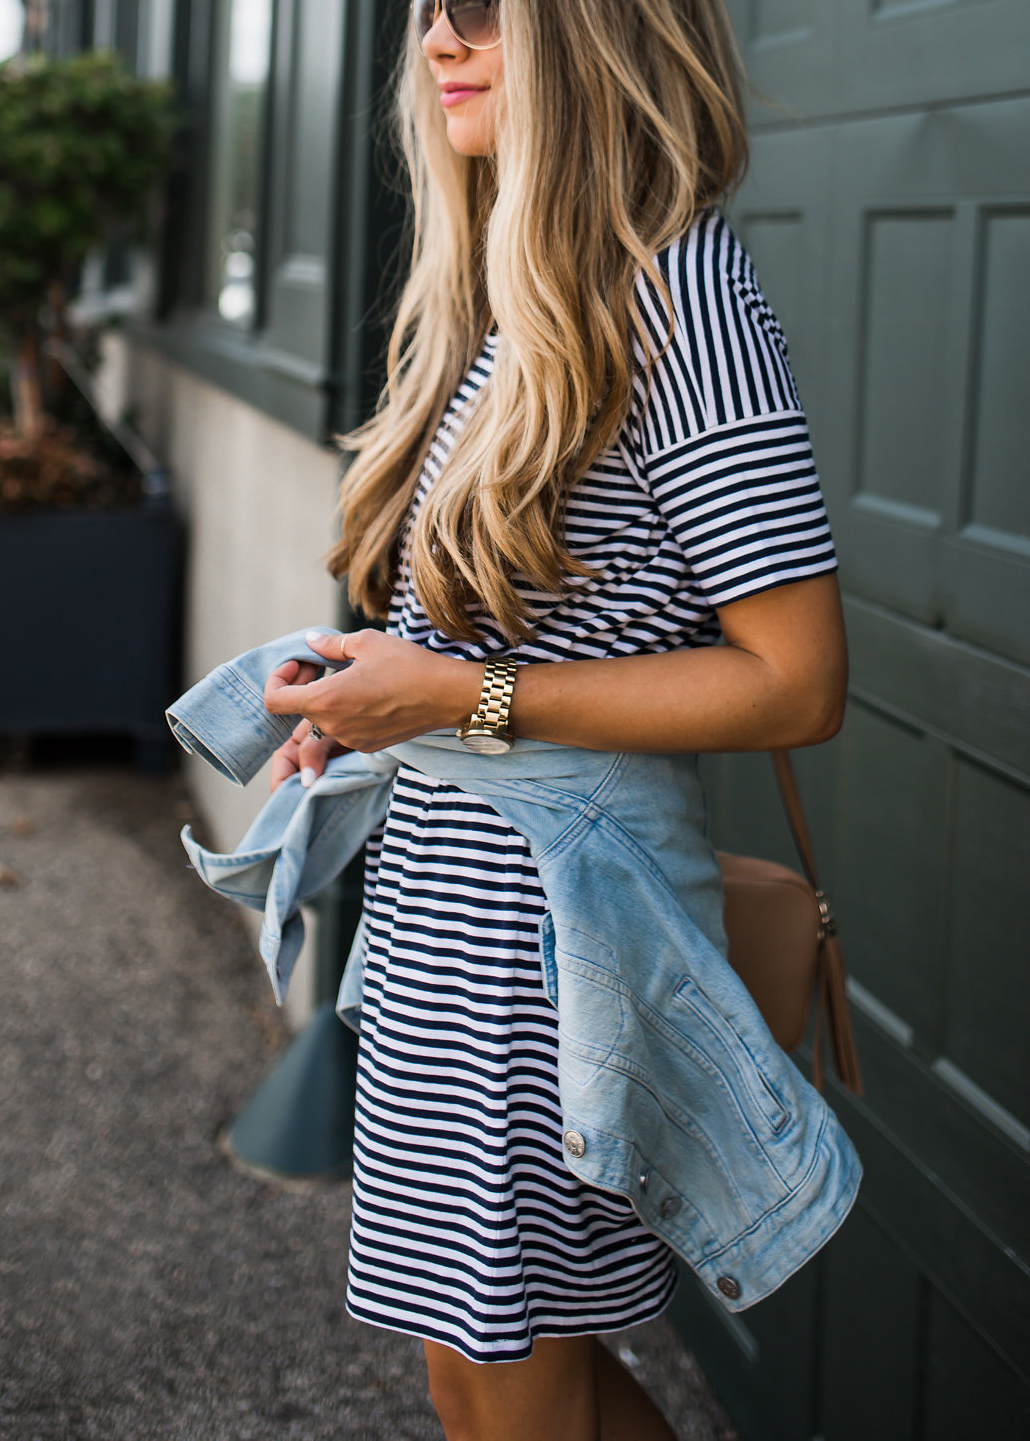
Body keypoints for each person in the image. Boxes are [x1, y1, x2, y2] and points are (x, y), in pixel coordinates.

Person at [262, 1, 848, 1437]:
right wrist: (374, 694)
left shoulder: (678, 290)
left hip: (551, 933)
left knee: (518, 1381)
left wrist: (461, 695)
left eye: (483, 13)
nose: (436, 42)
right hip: (443, 908)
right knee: (484, 1372)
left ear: (597, 37)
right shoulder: (511, 302)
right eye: (425, 13)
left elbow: (795, 679)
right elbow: (505, 628)